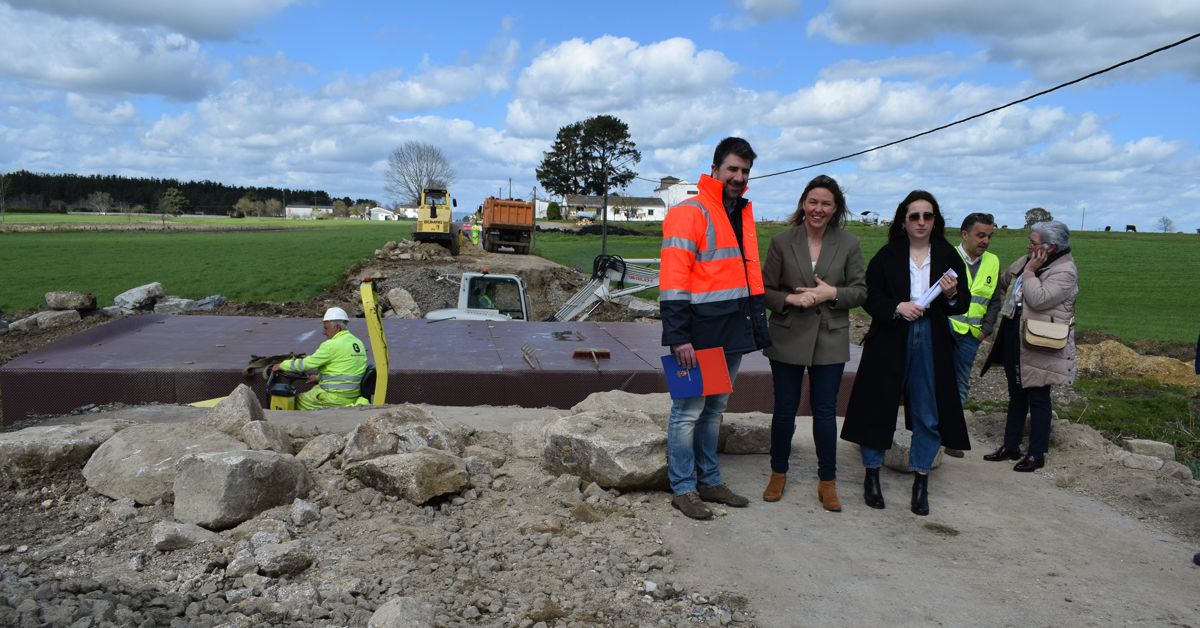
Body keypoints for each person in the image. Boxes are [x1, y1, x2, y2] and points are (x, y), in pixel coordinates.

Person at [659, 136, 772, 521]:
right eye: (732, 170)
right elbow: (673, 279)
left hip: (732, 330)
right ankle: (683, 488)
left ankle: (709, 480)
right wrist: (678, 337)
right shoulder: (691, 212)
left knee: (714, 410)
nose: (739, 177)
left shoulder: (739, 213)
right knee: (688, 411)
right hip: (699, 334)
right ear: (715, 170)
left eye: (744, 171)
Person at [840, 190, 970, 516]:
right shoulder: (888, 255)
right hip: (890, 335)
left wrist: (952, 296)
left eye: (928, 216)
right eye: (915, 216)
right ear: (904, 220)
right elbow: (870, 297)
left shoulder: (947, 255)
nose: (921, 222)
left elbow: (962, 302)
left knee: (928, 410)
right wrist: (898, 306)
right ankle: (871, 475)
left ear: (935, 220)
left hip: (932, 338)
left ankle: (921, 479)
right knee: (878, 406)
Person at [760, 175, 867, 510]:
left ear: (836, 209)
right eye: (813, 202)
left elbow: (861, 291)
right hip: (788, 334)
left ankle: (828, 481)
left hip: (829, 338)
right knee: (784, 411)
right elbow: (764, 289)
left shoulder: (849, 243)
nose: (818, 209)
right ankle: (778, 474)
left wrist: (830, 293)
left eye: (826, 204)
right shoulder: (781, 241)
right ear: (803, 204)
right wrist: (791, 300)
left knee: (824, 412)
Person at [979, 220, 1078, 472]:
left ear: (1051, 247)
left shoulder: (1064, 271)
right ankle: (1010, 446)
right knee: (1016, 392)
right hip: (1017, 333)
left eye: (1033, 242)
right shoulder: (1028, 260)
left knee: (1038, 396)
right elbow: (1005, 281)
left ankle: (1036, 454)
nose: (1028, 245)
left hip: (1041, 341)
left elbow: (1039, 298)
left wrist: (1030, 271)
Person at [944, 212, 1000, 458]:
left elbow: (995, 301)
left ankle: (952, 437)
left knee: (960, 383)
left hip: (971, 335)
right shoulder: (946, 257)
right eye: (980, 235)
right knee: (933, 379)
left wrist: (985, 331)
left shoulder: (993, 262)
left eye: (989, 236)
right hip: (945, 329)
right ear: (965, 234)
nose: (985, 240)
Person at [269, 307, 368, 411]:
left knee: (296, 401)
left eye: (326, 328)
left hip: (334, 397)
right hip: (352, 396)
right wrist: (318, 378)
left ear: (337, 328)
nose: (323, 332)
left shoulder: (331, 345)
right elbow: (344, 369)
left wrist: (282, 365)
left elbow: (306, 364)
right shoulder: (358, 343)